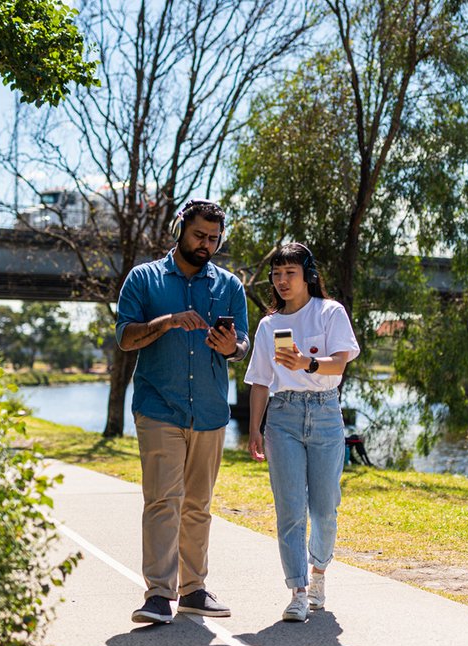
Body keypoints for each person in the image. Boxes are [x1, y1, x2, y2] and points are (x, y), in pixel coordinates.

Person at [116, 199, 249, 624]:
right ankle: (158, 594)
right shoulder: (144, 279)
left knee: (199, 505)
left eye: (214, 238)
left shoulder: (229, 285)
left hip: (209, 410)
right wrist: (168, 321)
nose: (206, 244)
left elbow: (242, 342)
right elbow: (125, 338)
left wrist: (233, 348)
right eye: (199, 235)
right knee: (162, 501)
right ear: (180, 230)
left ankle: (193, 590)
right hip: (159, 407)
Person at [243, 243, 360, 623]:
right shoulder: (268, 325)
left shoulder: (330, 312)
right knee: (290, 509)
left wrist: (306, 362)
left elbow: (338, 365)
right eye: (276, 274)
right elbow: (260, 381)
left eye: (289, 273)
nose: (281, 281)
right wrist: (254, 428)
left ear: (307, 274)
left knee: (324, 509)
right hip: (282, 416)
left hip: (325, 413)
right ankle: (297, 591)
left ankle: (319, 573)